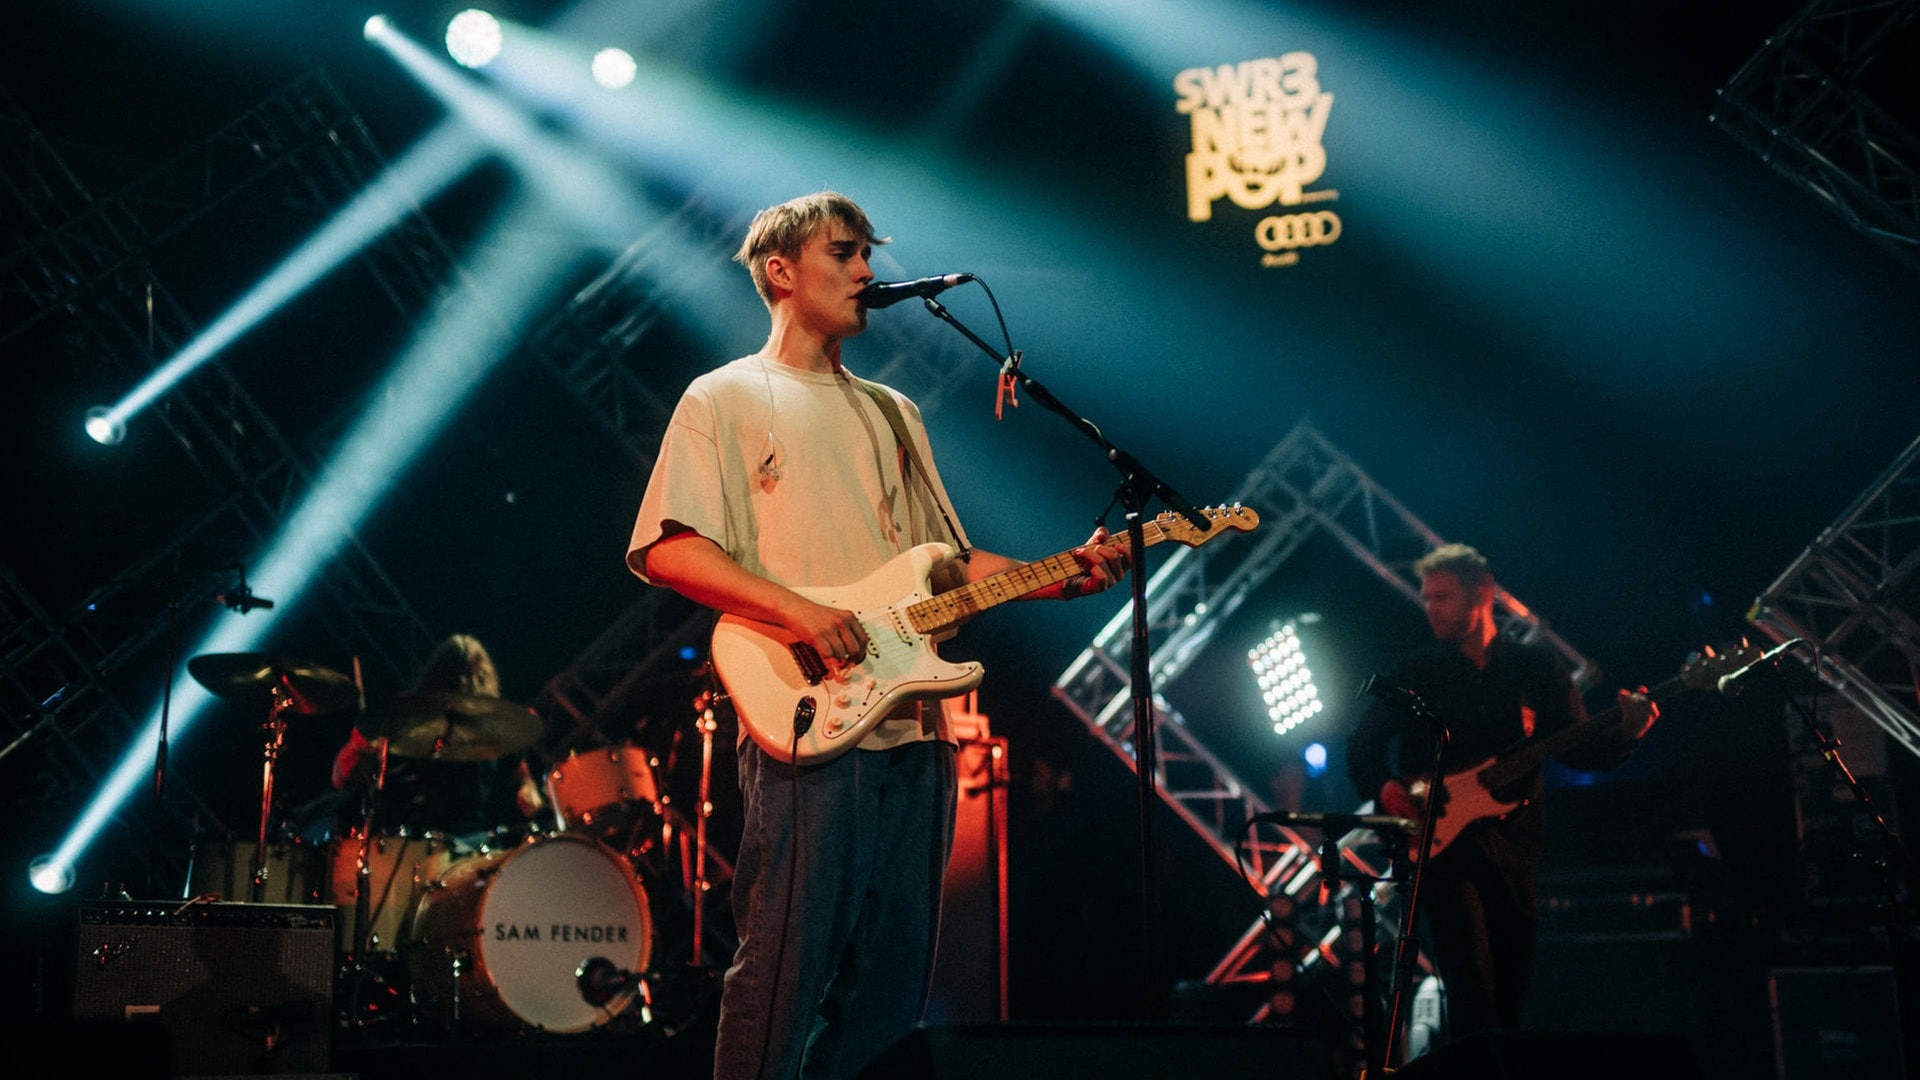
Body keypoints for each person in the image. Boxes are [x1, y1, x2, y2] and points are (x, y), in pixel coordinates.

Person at [626, 191, 1129, 1080]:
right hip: (807, 718)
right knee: (784, 977)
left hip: (916, 727)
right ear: (781, 272)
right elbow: (669, 549)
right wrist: (799, 612)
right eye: (845, 253)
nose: (868, 272)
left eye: (869, 254)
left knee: (890, 994)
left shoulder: (897, 412)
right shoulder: (726, 396)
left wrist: (1060, 575)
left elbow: (946, 562)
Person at [1345, 543, 1657, 1042]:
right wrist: (1385, 788)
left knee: (1511, 995)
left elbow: (1576, 750)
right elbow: (1362, 746)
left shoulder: (1537, 668)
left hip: (1514, 847)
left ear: (1482, 595)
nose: (1430, 608)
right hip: (1442, 850)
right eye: (1427, 598)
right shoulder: (1416, 673)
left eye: (1442, 597)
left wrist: (1628, 734)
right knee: (1472, 993)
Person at [330, 633, 543, 838]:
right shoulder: (409, 721)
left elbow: (522, 775)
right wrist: (359, 742)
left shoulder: (493, 726)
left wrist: (528, 789)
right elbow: (340, 778)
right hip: (416, 840)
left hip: (476, 840)